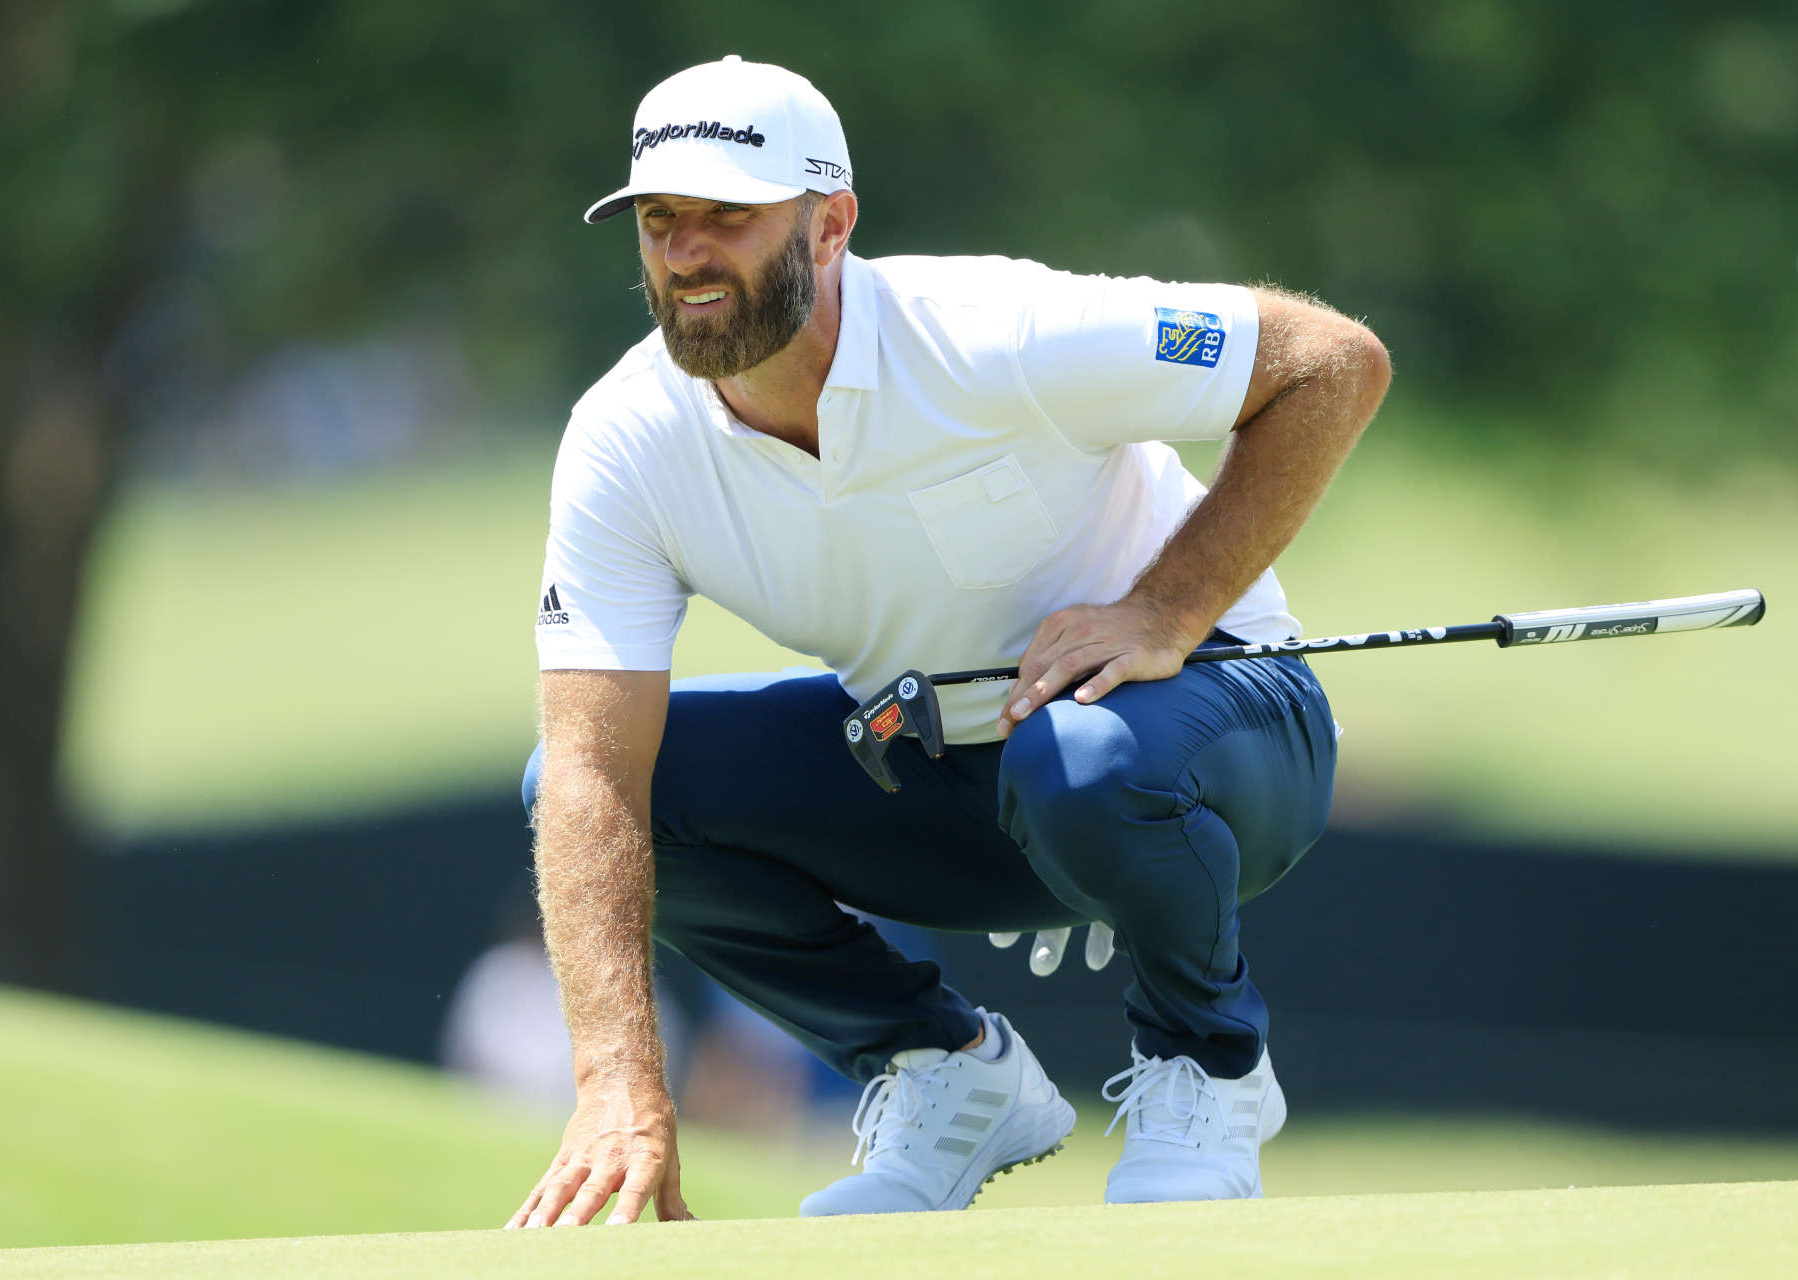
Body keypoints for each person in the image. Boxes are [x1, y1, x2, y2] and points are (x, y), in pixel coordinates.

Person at [511, 55, 1389, 1228]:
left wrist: (1169, 605)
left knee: (1083, 761)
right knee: (588, 788)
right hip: (962, 781)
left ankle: (1209, 1069)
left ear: (830, 225)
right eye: (661, 220)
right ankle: (945, 1069)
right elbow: (589, 770)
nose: (684, 253)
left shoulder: (994, 332)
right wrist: (617, 1082)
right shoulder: (624, 439)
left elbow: (1331, 362)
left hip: (1226, 738)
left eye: (728, 215)